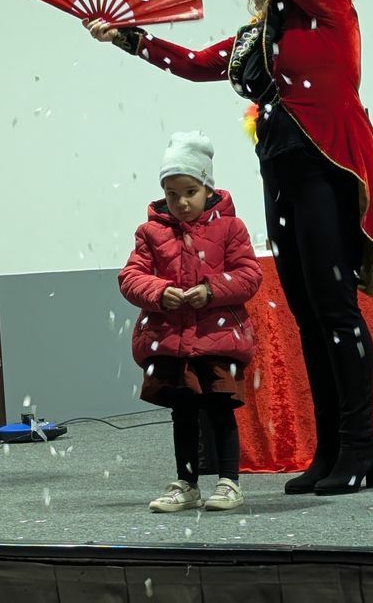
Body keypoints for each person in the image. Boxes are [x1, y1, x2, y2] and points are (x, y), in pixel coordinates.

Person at [85, 0, 373, 496]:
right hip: (283, 169)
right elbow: (197, 63)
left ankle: (361, 447)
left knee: (335, 308)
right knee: (308, 314)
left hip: (327, 165)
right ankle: (332, 449)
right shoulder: (262, 33)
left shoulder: (324, 0)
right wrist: (129, 39)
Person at [118, 131, 262, 512]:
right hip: (172, 341)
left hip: (219, 339)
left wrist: (212, 290)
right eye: (172, 194)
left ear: (207, 187)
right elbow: (131, 277)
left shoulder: (231, 228)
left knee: (220, 408)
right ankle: (187, 482)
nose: (181, 202)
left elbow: (249, 275)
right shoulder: (150, 233)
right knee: (182, 413)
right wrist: (159, 291)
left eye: (190, 192)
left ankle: (229, 481)